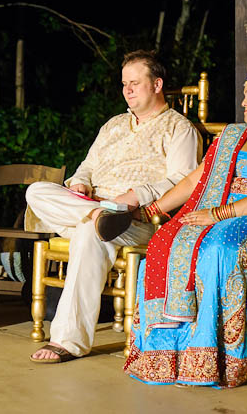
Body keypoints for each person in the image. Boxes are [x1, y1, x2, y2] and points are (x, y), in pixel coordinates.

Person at [123, 68, 247, 388]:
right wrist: (155, 209)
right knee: (165, 243)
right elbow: (194, 180)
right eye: (244, 94)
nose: (243, 102)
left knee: (217, 247)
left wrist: (219, 214)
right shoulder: (233, 137)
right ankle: (166, 354)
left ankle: (213, 356)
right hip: (215, 213)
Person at [28, 50, 200, 363]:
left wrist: (137, 195)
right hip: (92, 206)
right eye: (124, 84)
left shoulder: (179, 128)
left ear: (157, 84)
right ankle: (97, 216)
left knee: (90, 236)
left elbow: (182, 180)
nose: (128, 90)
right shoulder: (114, 125)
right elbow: (87, 166)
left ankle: (67, 341)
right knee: (37, 191)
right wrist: (79, 183)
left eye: (135, 83)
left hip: (136, 218)